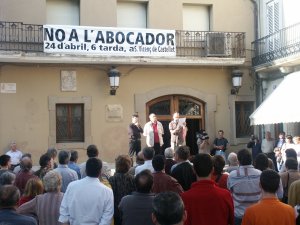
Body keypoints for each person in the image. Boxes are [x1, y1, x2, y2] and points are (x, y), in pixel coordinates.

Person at [181, 153, 234, 225]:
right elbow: (231, 221)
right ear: (212, 170)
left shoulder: (184, 198)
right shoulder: (225, 195)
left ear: (193, 170)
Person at [59, 158, 114, 225]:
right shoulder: (107, 192)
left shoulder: (72, 186)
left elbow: (64, 213)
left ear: (85, 170)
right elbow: (106, 219)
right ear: (100, 172)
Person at [227, 149, 262, 225]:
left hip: (239, 215)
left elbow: (230, 191)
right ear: (251, 160)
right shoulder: (260, 174)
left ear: (238, 161)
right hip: (257, 215)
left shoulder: (232, 175)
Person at [109, 155, 136, 225]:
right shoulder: (133, 179)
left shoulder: (112, 179)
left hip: (115, 212)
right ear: (129, 166)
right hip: (129, 211)